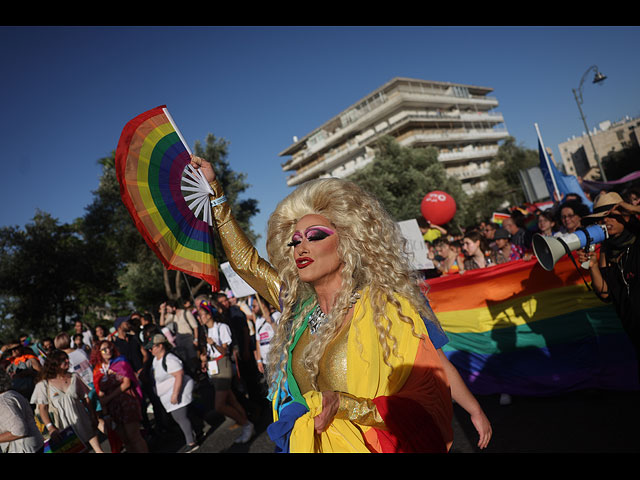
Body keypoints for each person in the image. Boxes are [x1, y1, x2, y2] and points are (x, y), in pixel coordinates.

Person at [189, 155, 453, 453]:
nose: (301, 246)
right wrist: (216, 194)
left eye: (315, 236)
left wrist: (346, 405)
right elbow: (247, 264)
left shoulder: (386, 308)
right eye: (295, 240)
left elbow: (425, 390)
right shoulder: (299, 309)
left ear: (348, 241)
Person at [578, 192, 640, 381]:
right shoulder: (606, 251)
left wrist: (632, 208)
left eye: (611, 214)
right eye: (601, 218)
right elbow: (605, 294)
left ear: (625, 216)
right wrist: (593, 267)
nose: (606, 220)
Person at [197, 300, 254, 444]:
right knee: (232, 400)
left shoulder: (222, 327)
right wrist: (204, 358)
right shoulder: (206, 331)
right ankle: (247, 424)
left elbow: (224, 351)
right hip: (213, 366)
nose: (200, 318)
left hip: (223, 366)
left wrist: (213, 344)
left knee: (220, 406)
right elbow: (209, 352)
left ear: (210, 315)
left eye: (202, 315)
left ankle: (246, 424)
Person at [31, 349, 103, 453]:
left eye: (67, 359)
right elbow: (42, 408)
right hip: (63, 428)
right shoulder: (43, 385)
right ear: (54, 364)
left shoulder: (74, 377)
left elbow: (85, 398)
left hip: (82, 421)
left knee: (99, 451)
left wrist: (92, 416)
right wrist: (50, 428)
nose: (67, 361)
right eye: (63, 360)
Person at [92, 340, 148, 453]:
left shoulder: (121, 362)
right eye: (104, 349)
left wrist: (108, 398)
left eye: (109, 347)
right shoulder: (98, 369)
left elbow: (127, 383)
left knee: (134, 436)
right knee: (125, 440)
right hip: (113, 408)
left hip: (126, 402)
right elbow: (100, 391)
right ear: (98, 353)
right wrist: (105, 412)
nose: (108, 351)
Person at [147, 333, 199, 453]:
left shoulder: (170, 359)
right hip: (167, 394)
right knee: (182, 416)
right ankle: (197, 431)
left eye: (152, 347)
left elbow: (179, 375)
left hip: (178, 391)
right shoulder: (156, 360)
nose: (150, 350)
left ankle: (191, 442)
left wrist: (175, 394)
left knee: (180, 417)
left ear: (160, 346)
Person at [0, 369, 45, 453]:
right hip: (34, 445)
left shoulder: (2, 401)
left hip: (24, 448)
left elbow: (19, 430)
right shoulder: (11, 393)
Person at [159, 300, 199, 372]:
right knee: (185, 360)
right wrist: (162, 311)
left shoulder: (186, 313)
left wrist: (196, 339)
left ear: (174, 308)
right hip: (180, 340)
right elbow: (162, 324)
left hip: (189, 338)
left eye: (168, 309)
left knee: (193, 359)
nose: (167, 311)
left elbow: (195, 327)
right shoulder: (172, 316)